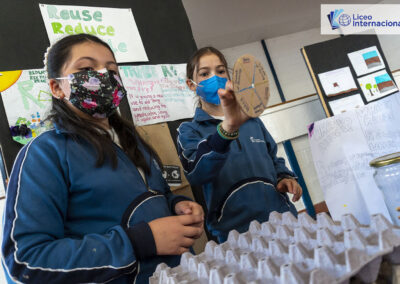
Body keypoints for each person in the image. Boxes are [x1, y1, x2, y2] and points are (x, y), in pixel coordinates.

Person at [1, 34, 204, 284]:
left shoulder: (132, 139)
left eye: (111, 69)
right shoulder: (44, 154)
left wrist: (176, 204)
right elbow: (24, 263)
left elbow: (155, 195)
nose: (103, 77)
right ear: (57, 88)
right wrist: (138, 242)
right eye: (86, 68)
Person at [177, 47, 302, 243]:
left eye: (220, 71)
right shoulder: (189, 131)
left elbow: (272, 157)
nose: (215, 77)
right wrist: (226, 130)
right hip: (236, 235)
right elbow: (197, 173)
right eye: (204, 73)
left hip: (283, 221)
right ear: (191, 85)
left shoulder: (251, 120)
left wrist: (284, 177)